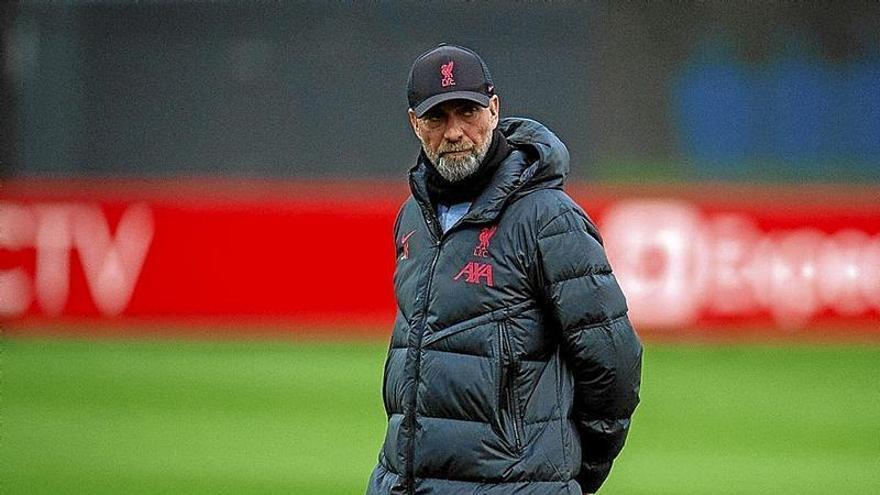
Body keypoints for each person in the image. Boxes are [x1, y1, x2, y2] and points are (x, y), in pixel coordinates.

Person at [367, 44, 642, 495]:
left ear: (494, 110)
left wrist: (570, 471)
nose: (455, 132)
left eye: (467, 112)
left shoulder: (550, 219)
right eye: (437, 118)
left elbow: (613, 364)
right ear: (415, 124)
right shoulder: (413, 218)